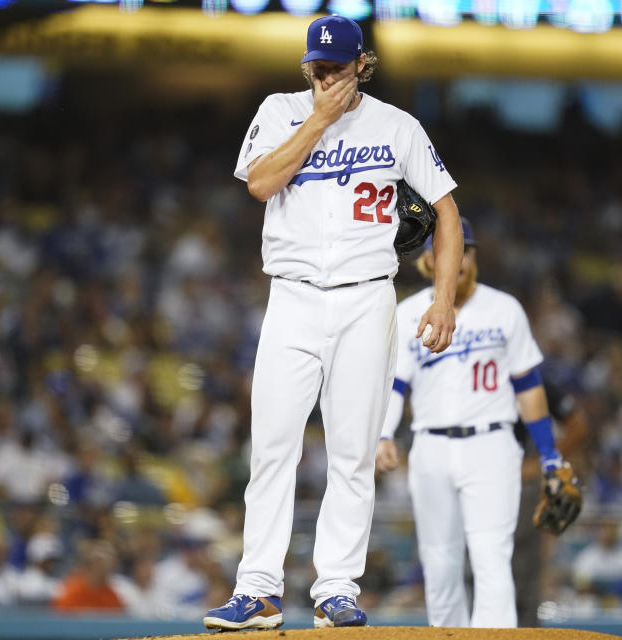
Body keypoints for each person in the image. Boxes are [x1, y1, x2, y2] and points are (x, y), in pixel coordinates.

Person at [203, 13, 463, 632]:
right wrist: (317, 120)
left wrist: (444, 297)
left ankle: (336, 589)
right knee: (271, 448)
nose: (324, 77)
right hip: (291, 296)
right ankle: (258, 590)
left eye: (336, 69)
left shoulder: (396, 125)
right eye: (315, 68)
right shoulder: (278, 109)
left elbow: (447, 212)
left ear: (361, 66)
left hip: (367, 298)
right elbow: (261, 183)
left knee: (351, 454)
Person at [377, 219, 572, 628]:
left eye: (465, 250)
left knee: (490, 556)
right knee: (440, 561)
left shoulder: (503, 309)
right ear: (429, 262)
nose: (458, 259)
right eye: (448, 251)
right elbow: (395, 384)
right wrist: (383, 434)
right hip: (430, 446)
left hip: (492, 445)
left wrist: (551, 456)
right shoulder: (409, 313)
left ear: (475, 257)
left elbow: (529, 386)